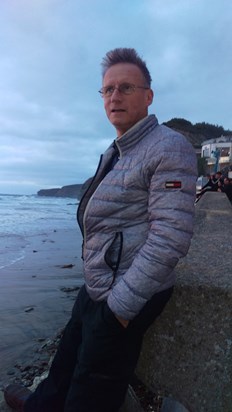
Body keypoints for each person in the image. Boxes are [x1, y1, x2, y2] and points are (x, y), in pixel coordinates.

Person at [4, 47, 197, 412]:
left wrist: (121, 308)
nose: (114, 97)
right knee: (65, 361)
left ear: (148, 96)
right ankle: (40, 406)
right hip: (100, 283)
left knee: (93, 384)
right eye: (107, 90)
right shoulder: (118, 149)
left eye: (125, 88)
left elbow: (170, 237)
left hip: (128, 293)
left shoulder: (169, 147)